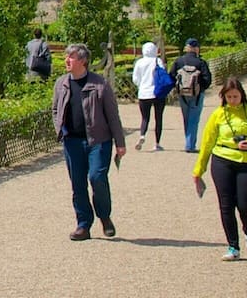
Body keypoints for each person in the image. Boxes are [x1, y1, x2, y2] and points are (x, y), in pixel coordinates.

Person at [51, 43, 127, 241]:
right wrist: (60, 128)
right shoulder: (61, 83)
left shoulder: (100, 84)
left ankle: (104, 215)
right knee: (77, 184)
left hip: (98, 141)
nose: (67, 60)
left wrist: (120, 143)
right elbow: (55, 110)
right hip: (72, 142)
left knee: (97, 177)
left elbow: (112, 116)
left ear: (83, 61)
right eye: (66, 56)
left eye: (72, 57)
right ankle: (83, 224)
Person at [192, 77, 247, 261]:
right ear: (224, 97)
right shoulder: (218, 114)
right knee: (226, 205)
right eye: (229, 97)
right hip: (222, 159)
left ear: (242, 95)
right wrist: (199, 170)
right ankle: (233, 246)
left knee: (245, 204)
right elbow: (207, 142)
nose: (233, 100)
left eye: (236, 96)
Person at [170, 38, 213, 152]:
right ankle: (190, 145)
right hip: (197, 94)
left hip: (182, 94)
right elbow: (207, 79)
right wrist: (201, 88)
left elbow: (171, 75)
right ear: (196, 48)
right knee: (194, 119)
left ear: (186, 47)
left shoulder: (179, 61)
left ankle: (188, 141)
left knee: (186, 118)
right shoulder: (200, 62)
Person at [131, 41, 168, 151]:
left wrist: (141, 85)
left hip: (144, 93)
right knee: (158, 118)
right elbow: (162, 75)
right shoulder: (158, 61)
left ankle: (142, 135)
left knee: (145, 118)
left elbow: (135, 79)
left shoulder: (139, 62)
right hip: (158, 93)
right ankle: (157, 143)